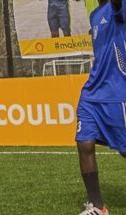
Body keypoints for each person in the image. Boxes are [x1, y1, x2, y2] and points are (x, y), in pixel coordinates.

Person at [76, 0, 125, 214]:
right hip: (92, 92)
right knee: (84, 143)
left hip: (116, 93)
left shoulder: (119, 6)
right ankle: (97, 207)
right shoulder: (95, 15)